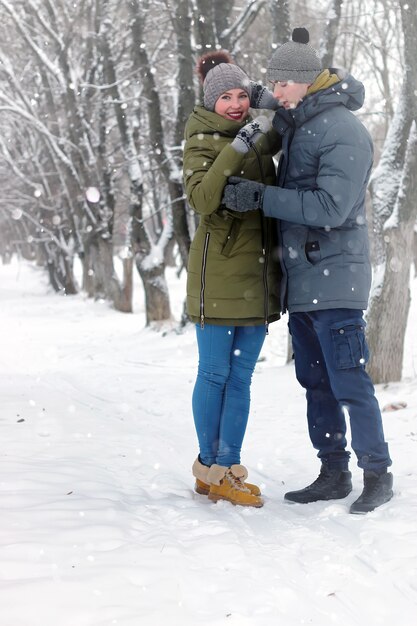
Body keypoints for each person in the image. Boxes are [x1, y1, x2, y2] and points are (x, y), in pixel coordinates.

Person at [222, 28, 393, 514]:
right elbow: (272, 111)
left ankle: (377, 473)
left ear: (306, 81)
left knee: (349, 382)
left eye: (281, 85)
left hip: (336, 281)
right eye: (272, 85)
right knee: (315, 383)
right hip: (304, 280)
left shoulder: (342, 129)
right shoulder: (299, 119)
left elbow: (332, 207)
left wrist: (261, 198)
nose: (274, 93)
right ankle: (333, 471)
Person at [183, 50, 282, 508]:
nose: (237, 103)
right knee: (215, 372)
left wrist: (272, 104)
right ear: (211, 99)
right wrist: (236, 148)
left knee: (240, 378)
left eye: (244, 94)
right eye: (226, 96)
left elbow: (297, 123)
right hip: (217, 276)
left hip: (257, 275)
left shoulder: (261, 133)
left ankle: (227, 467)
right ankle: (210, 467)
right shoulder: (201, 137)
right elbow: (202, 200)